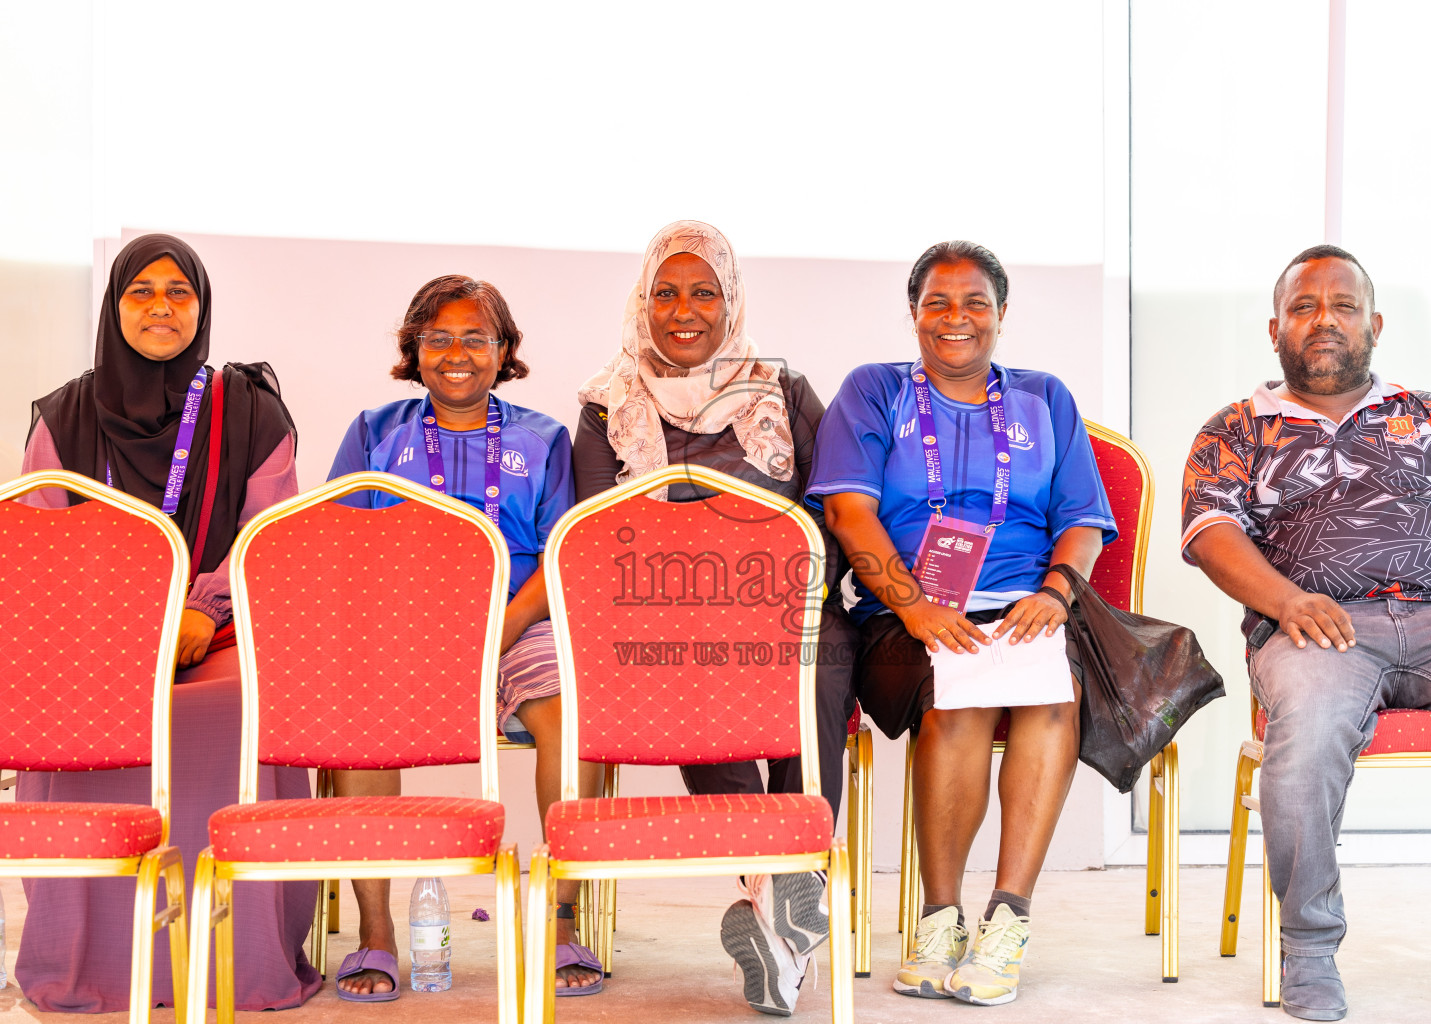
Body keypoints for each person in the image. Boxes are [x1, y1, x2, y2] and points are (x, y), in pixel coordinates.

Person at [1182, 244, 1431, 1023]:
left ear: (1373, 323)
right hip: (1316, 629)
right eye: (1305, 307)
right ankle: (1308, 944)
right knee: (1305, 730)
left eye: (1342, 306)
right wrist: (1285, 599)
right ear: (1275, 327)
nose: (1324, 320)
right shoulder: (1236, 429)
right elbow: (1211, 536)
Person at [806, 240, 1116, 1007]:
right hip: (904, 616)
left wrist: (1055, 592)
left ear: (1002, 315)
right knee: (960, 703)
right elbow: (849, 513)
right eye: (937, 303)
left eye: (975, 302)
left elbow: (1082, 520)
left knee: (1052, 696)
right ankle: (939, 919)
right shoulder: (873, 392)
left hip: (1025, 607)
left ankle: (1008, 919)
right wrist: (915, 606)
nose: (957, 318)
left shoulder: (1046, 397)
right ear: (913, 314)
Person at [16, 234, 319, 1011]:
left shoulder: (250, 410)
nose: (160, 307)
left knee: (246, 700)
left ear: (202, 306)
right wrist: (127, 624)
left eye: (178, 292)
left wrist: (198, 608)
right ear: (115, 306)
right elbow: (41, 551)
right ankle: (95, 963)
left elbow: (268, 538)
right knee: (70, 706)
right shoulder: (63, 416)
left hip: (213, 632)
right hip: (100, 636)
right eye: (141, 292)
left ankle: (238, 961)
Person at [571, 220, 857, 1016]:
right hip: (663, 612)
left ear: (730, 300)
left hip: (785, 606)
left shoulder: (782, 386)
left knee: (825, 658)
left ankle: (779, 905)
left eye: (704, 291)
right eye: (666, 291)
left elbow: (832, 501)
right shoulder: (606, 404)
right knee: (683, 663)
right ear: (644, 300)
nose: (684, 308)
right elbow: (593, 535)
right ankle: (787, 879)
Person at [325, 274, 600, 999]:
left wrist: (500, 626)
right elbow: (338, 542)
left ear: (503, 350)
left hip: (513, 623)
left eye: (475, 338)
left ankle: (562, 922)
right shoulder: (373, 431)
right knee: (362, 725)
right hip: (399, 626)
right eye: (437, 338)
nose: (456, 353)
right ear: (412, 350)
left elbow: (561, 553)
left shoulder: (544, 438)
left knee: (569, 718)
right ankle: (377, 933)